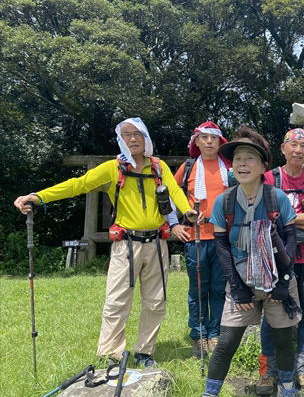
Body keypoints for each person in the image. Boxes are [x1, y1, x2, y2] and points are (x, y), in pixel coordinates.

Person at [13, 118, 196, 368]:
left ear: (146, 138)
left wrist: (187, 211)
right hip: (126, 244)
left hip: (156, 243)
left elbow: (174, 191)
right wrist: (39, 197)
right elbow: (78, 185)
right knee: (117, 301)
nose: (133, 138)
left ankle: (145, 352)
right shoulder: (113, 168)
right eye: (127, 134)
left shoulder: (158, 166)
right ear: (121, 139)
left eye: (138, 134)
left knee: (156, 301)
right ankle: (111, 354)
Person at [196, 126, 304, 397]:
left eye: (249, 158)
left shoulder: (277, 198)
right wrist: (237, 287)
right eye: (237, 159)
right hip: (241, 281)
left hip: (278, 280)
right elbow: (221, 246)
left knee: (284, 339)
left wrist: (283, 284)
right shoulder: (225, 202)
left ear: (263, 166)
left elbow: (290, 240)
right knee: (227, 342)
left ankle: (286, 393)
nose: (242, 163)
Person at [257, 128, 304, 394]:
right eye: (293, 144)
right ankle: (268, 370)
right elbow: (264, 213)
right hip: (275, 258)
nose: (298, 150)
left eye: (303, 145)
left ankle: (303, 368)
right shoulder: (269, 178)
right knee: (272, 312)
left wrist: (287, 218)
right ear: (283, 148)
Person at [167, 121, 231, 358]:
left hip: (224, 236)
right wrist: (174, 225)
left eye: (213, 138)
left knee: (219, 288)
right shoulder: (188, 167)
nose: (209, 142)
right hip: (196, 237)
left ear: (220, 141)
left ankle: (215, 333)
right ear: (196, 142)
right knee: (198, 289)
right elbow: (168, 195)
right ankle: (198, 335)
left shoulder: (230, 166)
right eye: (204, 137)